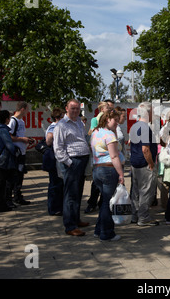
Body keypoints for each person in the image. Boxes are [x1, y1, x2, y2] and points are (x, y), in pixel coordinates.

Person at [53, 99, 91, 236]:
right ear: (66, 109)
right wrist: (69, 162)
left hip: (82, 161)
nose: (75, 111)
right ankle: (70, 226)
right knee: (70, 195)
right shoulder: (61, 125)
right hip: (72, 162)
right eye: (72, 108)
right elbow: (58, 148)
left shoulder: (79, 122)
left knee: (78, 193)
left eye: (77, 108)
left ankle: (76, 219)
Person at [90, 109, 125, 241]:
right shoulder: (109, 135)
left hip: (97, 169)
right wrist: (121, 174)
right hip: (109, 170)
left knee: (104, 201)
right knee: (107, 203)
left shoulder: (96, 133)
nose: (117, 122)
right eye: (115, 120)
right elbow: (114, 155)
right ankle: (107, 233)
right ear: (107, 120)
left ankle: (99, 230)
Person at [129, 102, 159, 226]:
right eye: (152, 111)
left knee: (135, 191)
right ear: (147, 113)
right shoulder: (145, 128)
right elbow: (145, 149)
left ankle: (134, 215)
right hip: (144, 163)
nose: (153, 114)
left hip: (135, 162)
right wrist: (151, 163)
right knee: (146, 192)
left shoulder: (135, 126)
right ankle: (144, 217)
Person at [85, 101, 113, 213]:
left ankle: (102, 203)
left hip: (109, 154)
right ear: (102, 109)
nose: (110, 109)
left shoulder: (111, 118)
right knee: (97, 182)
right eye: (108, 107)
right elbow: (92, 133)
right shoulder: (95, 120)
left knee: (106, 183)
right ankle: (92, 203)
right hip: (99, 154)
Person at [6, 101, 33, 207]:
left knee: (20, 176)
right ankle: (8, 199)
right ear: (23, 109)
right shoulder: (13, 121)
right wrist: (22, 139)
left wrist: (27, 140)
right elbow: (9, 136)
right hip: (15, 153)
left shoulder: (21, 121)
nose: (27, 111)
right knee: (13, 176)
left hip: (22, 152)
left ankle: (17, 196)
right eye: (27, 109)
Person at [44, 108, 65, 215]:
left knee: (58, 184)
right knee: (55, 184)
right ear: (58, 117)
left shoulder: (56, 126)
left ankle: (58, 207)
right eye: (62, 116)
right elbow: (48, 140)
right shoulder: (54, 126)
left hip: (57, 158)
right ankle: (54, 208)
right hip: (54, 158)